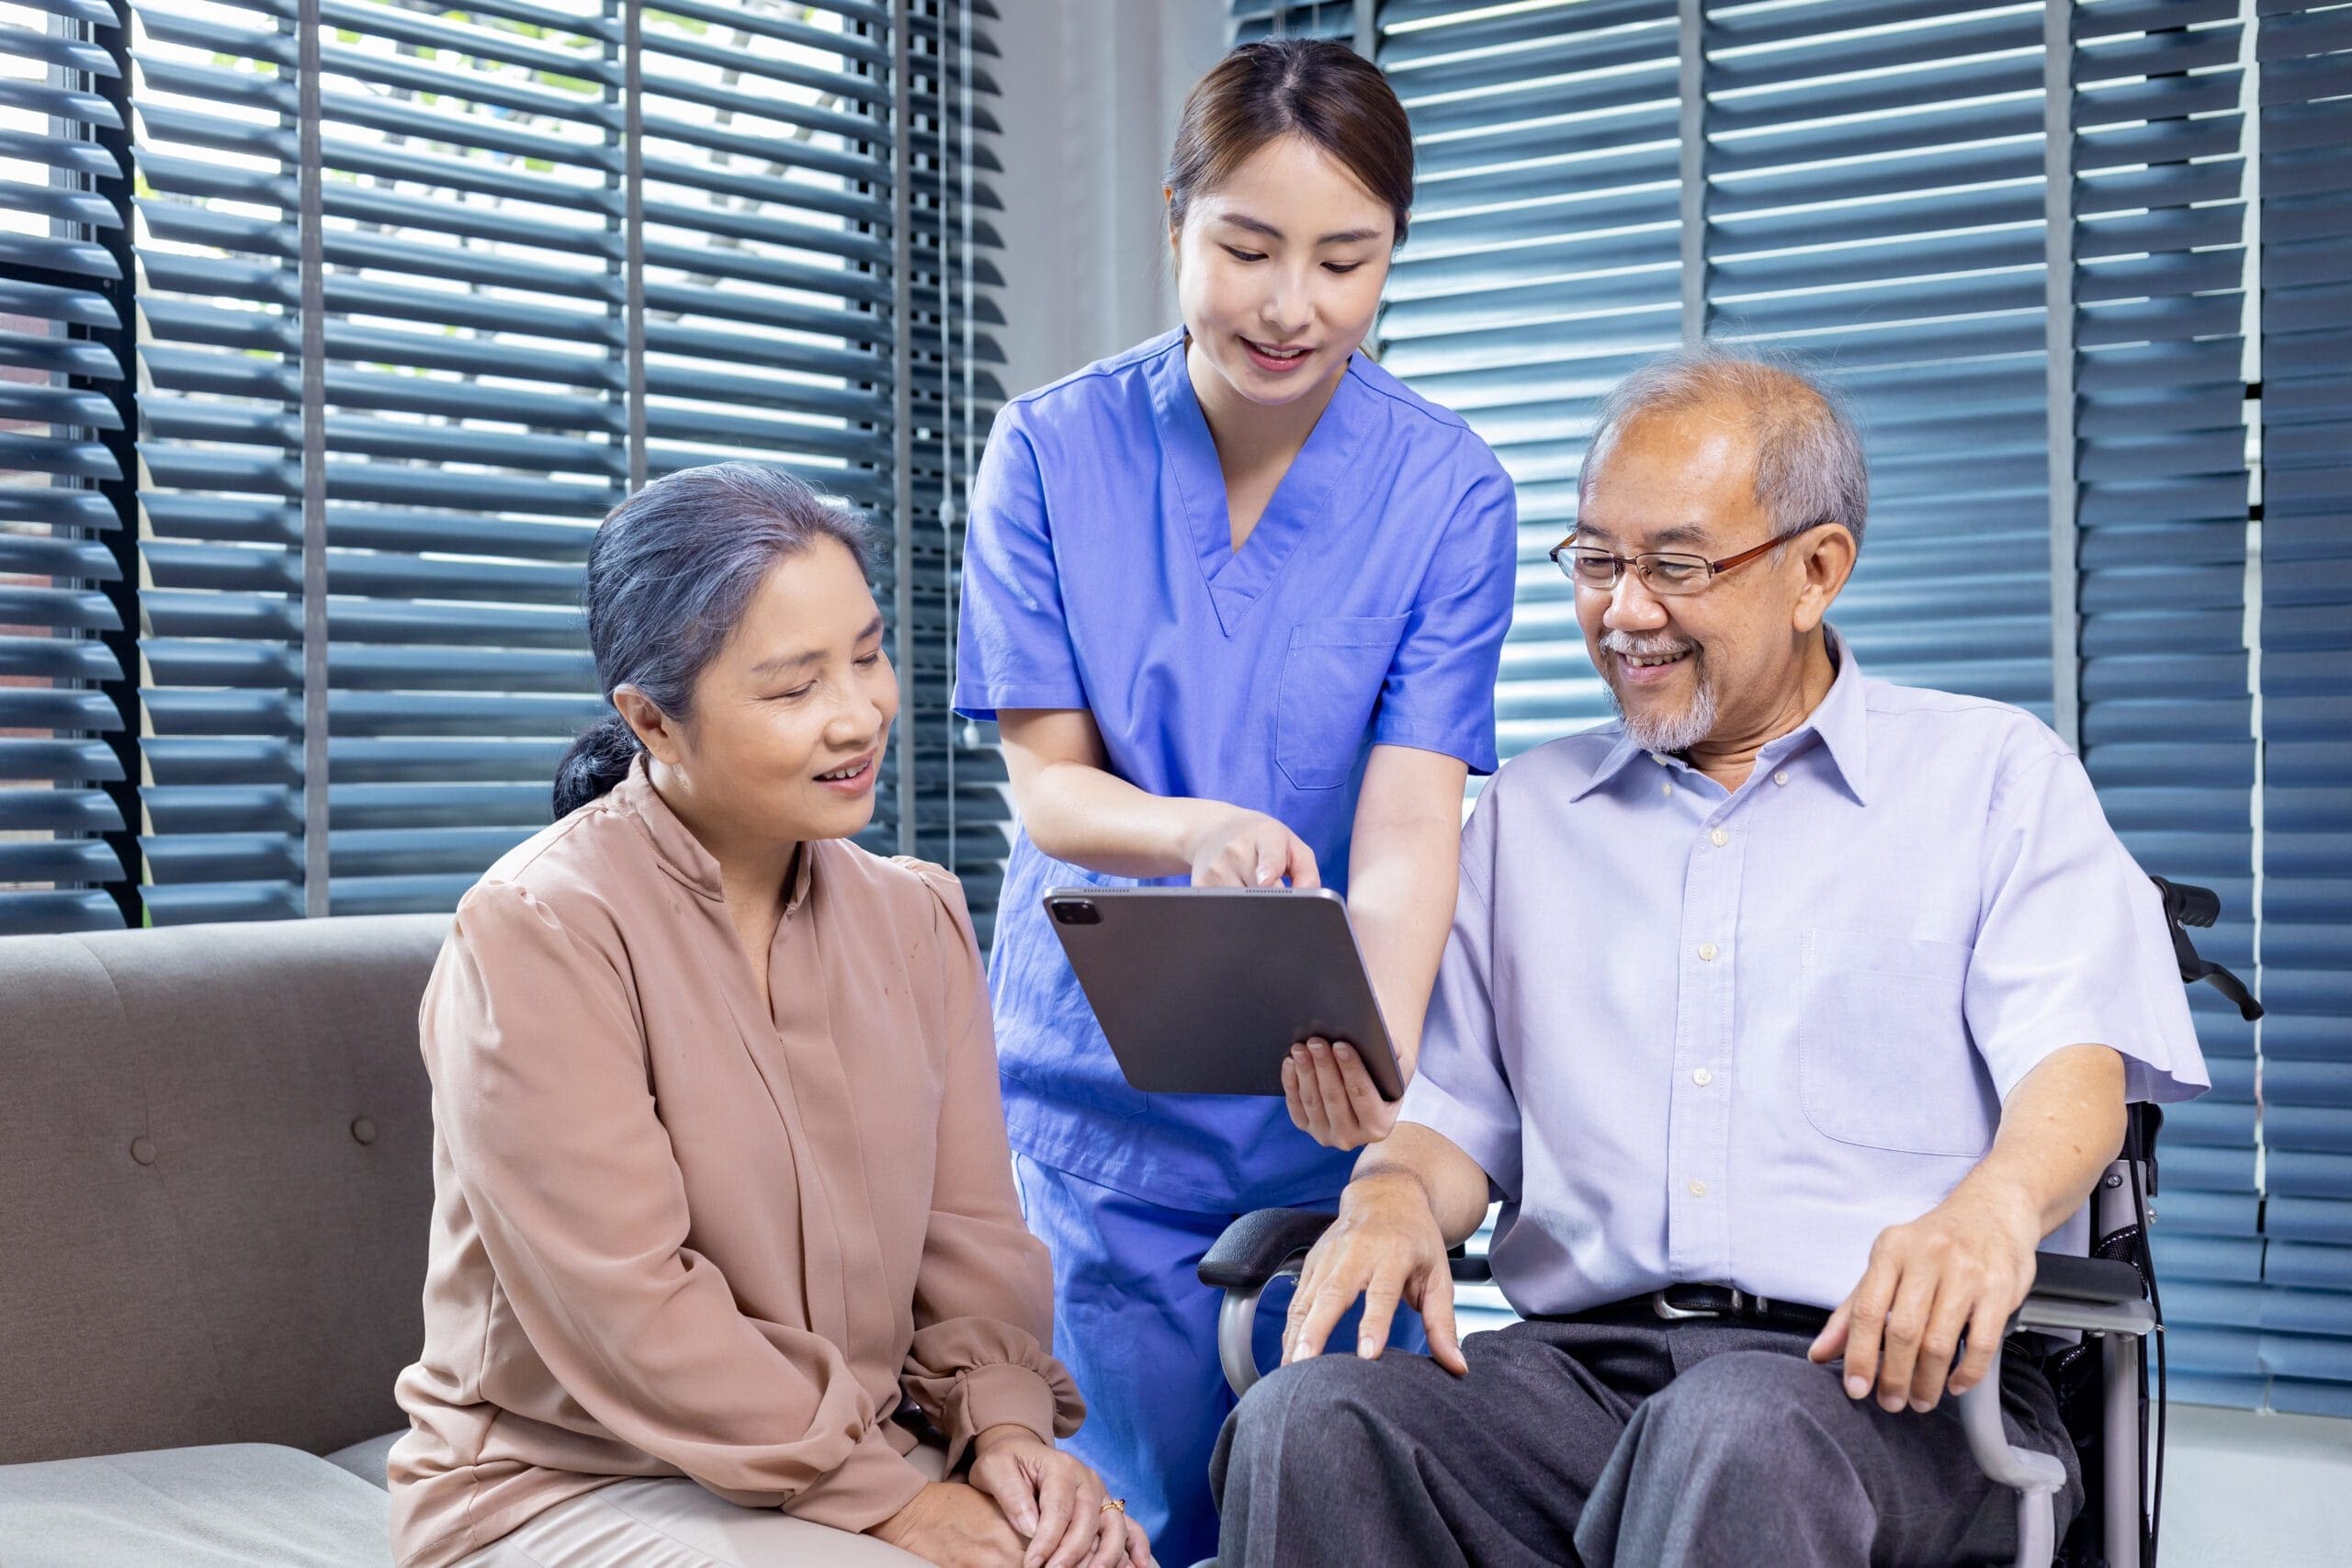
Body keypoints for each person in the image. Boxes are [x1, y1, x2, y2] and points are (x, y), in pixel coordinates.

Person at [1212, 349, 2211, 1567]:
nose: (1624, 610)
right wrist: (1386, 1192)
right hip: (1579, 1380)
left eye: (1675, 565)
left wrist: (1988, 1212)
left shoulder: (1992, 775)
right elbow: (1451, 1126)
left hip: (1893, 1390)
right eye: (1596, 561)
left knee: (1735, 1427)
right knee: (1309, 1416)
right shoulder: (1530, 811)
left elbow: (2076, 1076)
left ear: (1816, 570)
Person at [952, 37, 1518, 1565]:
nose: (1291, 306)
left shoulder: (1449, 492)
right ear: (1174, 221)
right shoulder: (1049, 453)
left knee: (1318, 1514)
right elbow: (1052, 791)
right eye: (1248, 248)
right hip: (1086, 1107)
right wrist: (1191, 831)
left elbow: (1410, 829)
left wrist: (1377, 1065)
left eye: (1347, 260)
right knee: (1096, 1525)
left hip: (1316, 1117)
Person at [389, 464, 1150, 1568]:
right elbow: (636, 1312)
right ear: (651, 719)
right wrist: (892, 1503)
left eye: (868, 654)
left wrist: (1004, 1431)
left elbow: (971, 1237)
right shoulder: (537, 934)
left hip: (862, 1456)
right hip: (567, 1487)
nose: (857, 714)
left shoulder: (916, 917)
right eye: (793, 689)